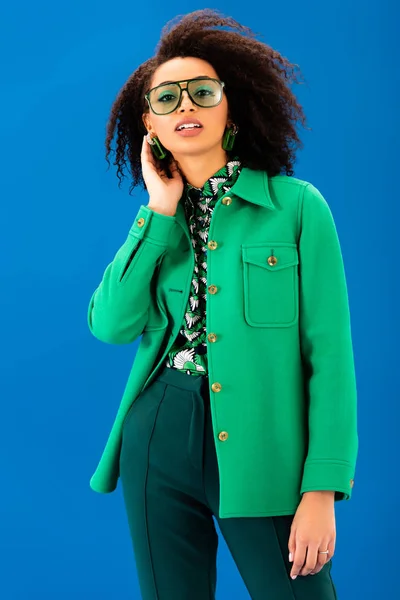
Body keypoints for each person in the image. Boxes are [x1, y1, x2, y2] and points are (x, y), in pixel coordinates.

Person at [87, 9, 358, 599]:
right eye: (166, 98)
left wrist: (322, 489)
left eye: (202, 92)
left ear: (231, 106)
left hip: (267, 450)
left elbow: (330, 357)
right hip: (157, 436)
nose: (185, 106)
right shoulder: (158, 223)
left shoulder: (297, 207)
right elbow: (110, 324)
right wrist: (158, 210)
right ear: (149, 124)